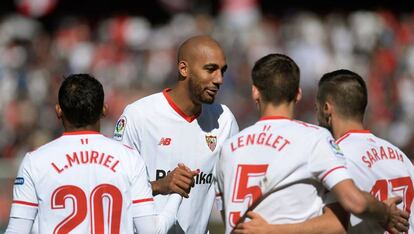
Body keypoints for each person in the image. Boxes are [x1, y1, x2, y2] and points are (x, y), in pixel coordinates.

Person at [216, 54, 409, 234]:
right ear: (298, 94)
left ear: (255, 92)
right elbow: (345, 215)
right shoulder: (315, 139)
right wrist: (385, 213)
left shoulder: (228, 148)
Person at [5, 74, 181, 234]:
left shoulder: (35, 161)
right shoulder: (130, 159)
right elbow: (151, 231)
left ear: (58, 111)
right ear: (104, 110)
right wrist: (176, 195)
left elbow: (16, 231)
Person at [113, 35, 239, 233]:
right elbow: (114, 191)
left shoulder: (224, 119)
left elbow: (231, 192)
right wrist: (160, 185)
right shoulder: (139, 115)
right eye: (210, 69)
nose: (219, 79)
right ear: (184, 69)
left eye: (222, 71)